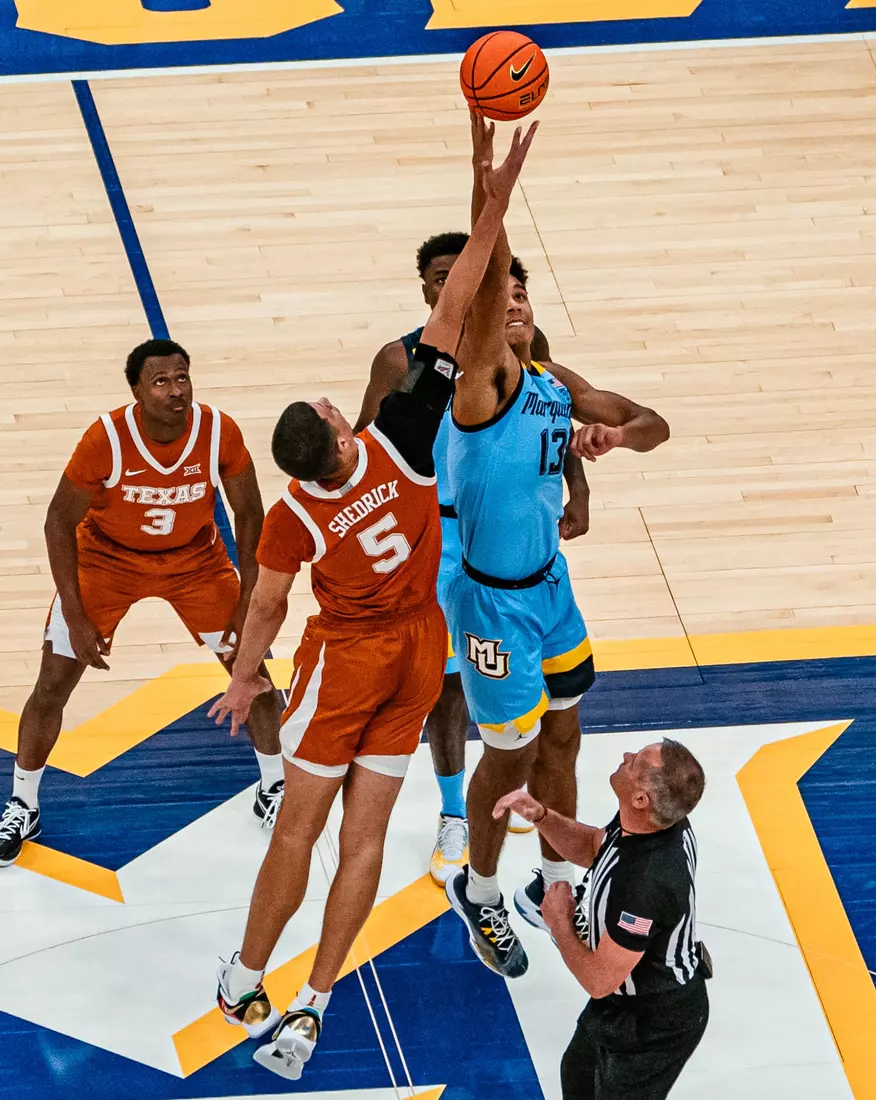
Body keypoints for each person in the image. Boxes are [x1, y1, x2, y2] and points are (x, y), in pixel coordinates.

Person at [206, 121, 539, 1082]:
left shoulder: (293, 518)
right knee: (363, 841)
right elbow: (465, 295)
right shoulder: (402, 436)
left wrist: (242, 680)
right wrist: (493, 192)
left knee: (300, 829)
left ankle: (245, 976)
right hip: (413, 651)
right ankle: (311, 1007)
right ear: (336, 427)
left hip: (347, 660)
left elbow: (266, 610)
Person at [443, 113, 671, 980]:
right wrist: (487, 184)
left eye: (520, 296)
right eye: (494, 298)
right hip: (491, 598)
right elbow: (482, 269)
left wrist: (613, 441)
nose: (508, 303)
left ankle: (550, 880)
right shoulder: (484, 382)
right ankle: (482, 887)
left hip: (549, 588)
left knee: (565, 741)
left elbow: (653, 423)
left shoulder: (549, 380)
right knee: (506, 754)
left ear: (534, 311)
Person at [353, 237, 590, 887]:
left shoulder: (522, 346)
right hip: (434, 538)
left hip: (506, 537)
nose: (452, 287)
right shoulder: (398, 359)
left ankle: (518, 792)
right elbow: (364, 459)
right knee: (451, 684)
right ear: (427, 289)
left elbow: (553, 414)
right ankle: (455, 813)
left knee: (536, 681)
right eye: (440, 277)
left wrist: (579, 487)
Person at [0, 340, 283, 867]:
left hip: (195, 561)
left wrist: (248, 596)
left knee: (253, 671)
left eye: (182, 378)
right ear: (136, 390)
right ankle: (22, 802)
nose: (176, 390)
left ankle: (275, 787)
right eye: (161, 382)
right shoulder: (105, 438)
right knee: (52, 683)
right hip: (107, 561)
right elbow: (57, 522)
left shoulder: (220, 430)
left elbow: (250, 513)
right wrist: (75, 612)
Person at [494, 739, 709, 1100]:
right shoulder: (654, 822)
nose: (626, 756)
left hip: (656, 1022)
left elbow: (598, 981)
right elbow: (596, 845)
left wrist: (559, 921)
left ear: (641, 799)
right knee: (576, 1075)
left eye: (636, 761)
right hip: (623, 1004)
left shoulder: (645, 885)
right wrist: (540, 816)